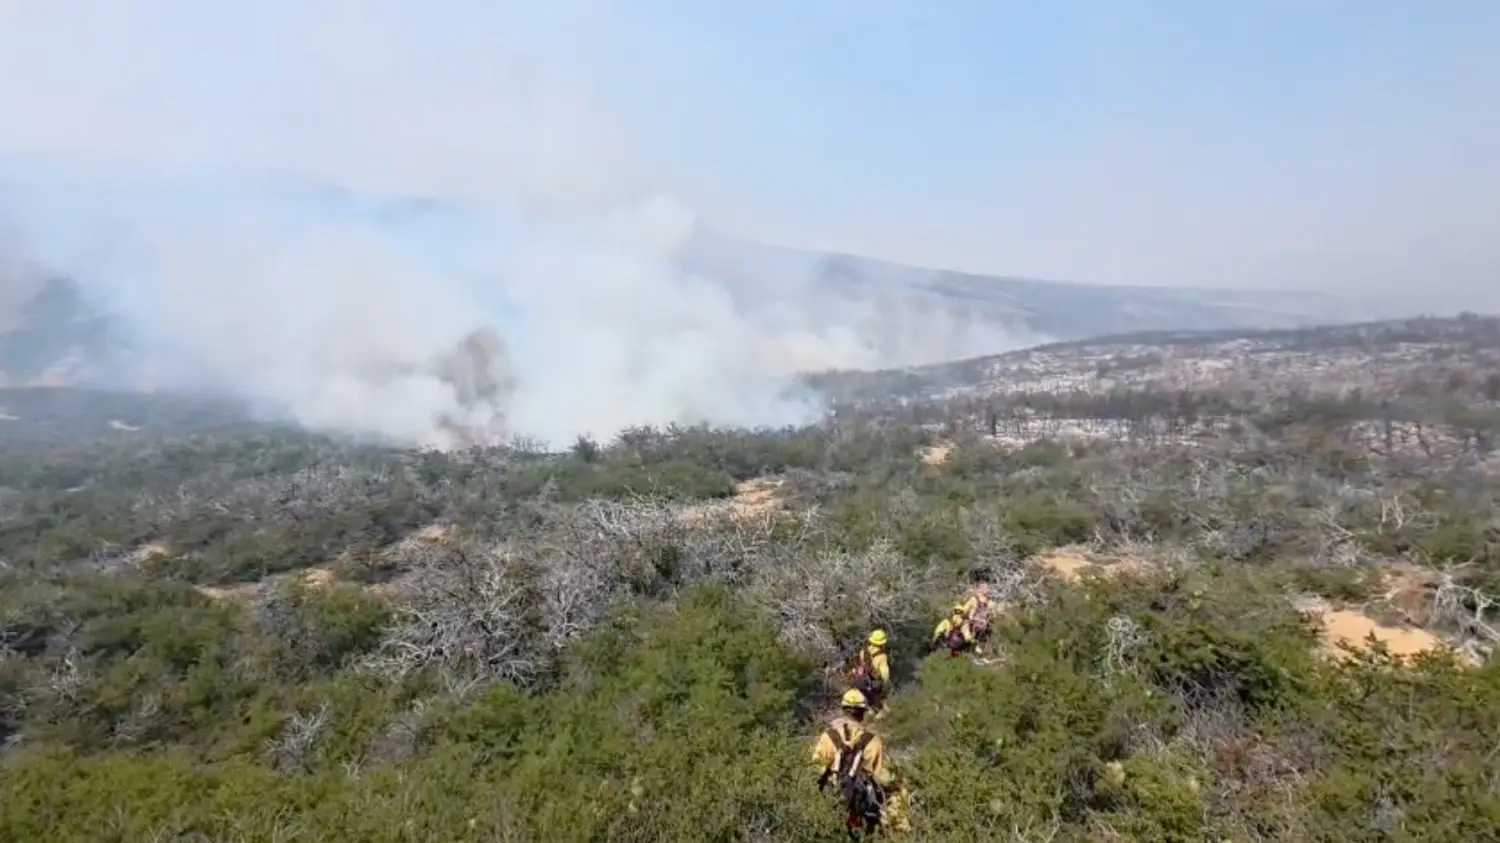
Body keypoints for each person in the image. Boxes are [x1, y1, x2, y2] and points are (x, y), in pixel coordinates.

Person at [811, 689, 910, 835]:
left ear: (844, 710)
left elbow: (816, 770)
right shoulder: (872, 740)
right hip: (862, 808)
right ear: (863, 713)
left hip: (831, 803)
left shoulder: (828, 737)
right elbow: (880, 775)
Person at [849, 629, 892, 717]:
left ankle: (871, 711)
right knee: (881, 697)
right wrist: (885, 685)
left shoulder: (863, 652)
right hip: (872, 682)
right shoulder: (882, 657)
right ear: (882, 643)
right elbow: (885, 673)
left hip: (860, 681)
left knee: (868, 696)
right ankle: (881, 715)